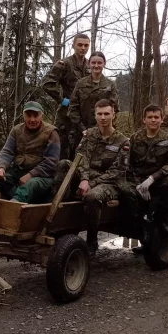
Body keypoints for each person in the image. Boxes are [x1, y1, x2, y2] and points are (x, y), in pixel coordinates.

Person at [52, 99, 129, 255]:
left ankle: (92, 241)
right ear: (95, 115)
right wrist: (84, 179)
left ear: (113, 114)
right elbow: (81, 158)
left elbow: (117, 171)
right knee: (64, 164)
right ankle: (59, 220)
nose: (103, 118)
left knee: (92, 197)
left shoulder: (123, 141)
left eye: (107, 114)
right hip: (87, 178)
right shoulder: (89, 134)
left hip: (109, 183)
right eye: (99, 114)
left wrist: (91, 183)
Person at [121, 104, 168, 253]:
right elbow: (126, 163)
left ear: (162, 120)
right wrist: (138, 184)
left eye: (156, 117)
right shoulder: (135, 138)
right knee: (123, 189)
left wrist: (152, 179)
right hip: (138, 181)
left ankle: (165, 219)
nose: (153, 120)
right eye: (150, 117)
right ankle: (139, 227)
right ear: (144, 120)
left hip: (157, 180)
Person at [0, 101, 61, 204]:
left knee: (31, 184)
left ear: (42, 116)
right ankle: (15, 195)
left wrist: (30, 175)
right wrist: (1, 168)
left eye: (36, 115)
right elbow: (7, 152)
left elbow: (51, 162)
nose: (32, 119)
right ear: (24, 116)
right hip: (19, 172)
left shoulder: (51, 132)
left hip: (42, 177)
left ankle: (15, 204)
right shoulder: (16, 130)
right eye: (28, 115)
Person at [42, 33, 91, 159]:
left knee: (80, 149)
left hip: (83, 116)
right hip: (66, 114)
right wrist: (62, 100)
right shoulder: (64, 64)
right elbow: (47, 83)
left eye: (86, 45)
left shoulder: (90, 66)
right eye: (80, 45)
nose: (83, 48)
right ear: (73, 45)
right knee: (61, 148)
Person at [68, 51, 119, 147]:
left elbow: (114, 108)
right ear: (89, 64)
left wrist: (97, 129)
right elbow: (72, 108)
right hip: (81, 132)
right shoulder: (81, 83)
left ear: (104, 64)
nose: (96, 66)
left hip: (104, 131)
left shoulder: (110, 85)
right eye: (93, 63)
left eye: (99, 63)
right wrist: (82, 129)